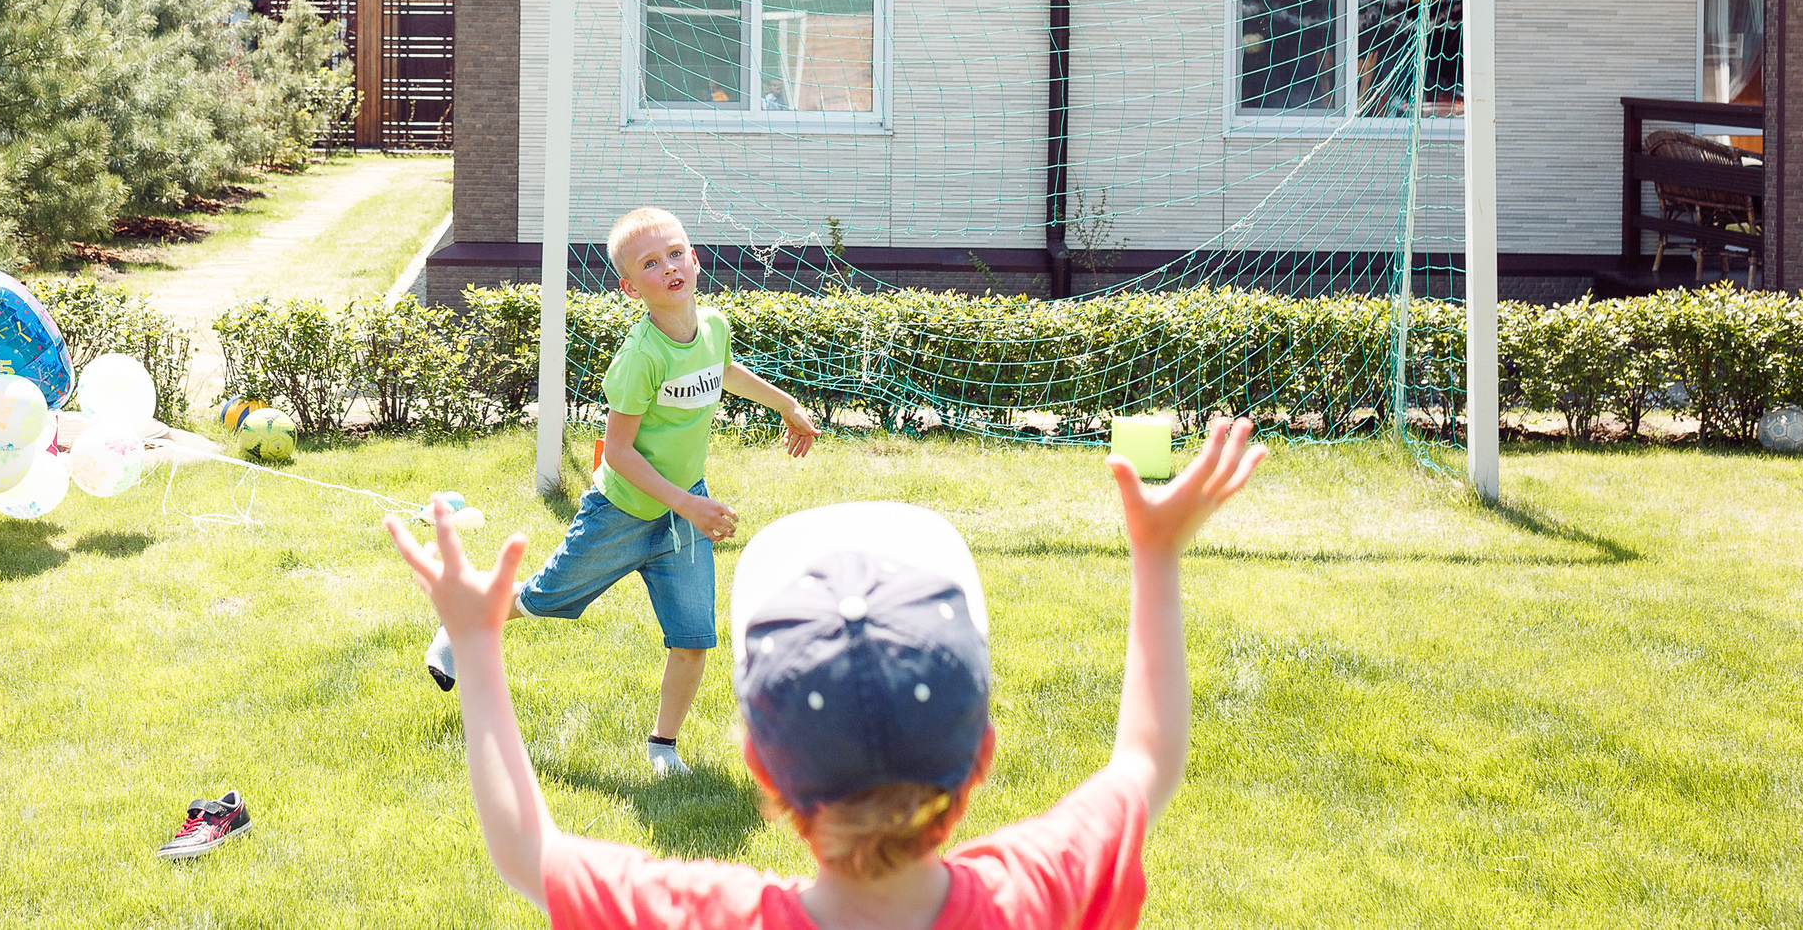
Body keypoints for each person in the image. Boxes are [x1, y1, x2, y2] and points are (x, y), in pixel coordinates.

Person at [385, 415, 1266, 930]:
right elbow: (1145, 762)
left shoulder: (710, 915)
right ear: (983, 753)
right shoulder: (1030, 895)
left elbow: (526, 850)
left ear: (762, 769)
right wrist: (1156, 555)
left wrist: (477, 642)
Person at [423, 207, 820, 778]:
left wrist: (786, 404)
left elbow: (725, 371)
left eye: (676, 253)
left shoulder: (712, 327)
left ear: (695, 260)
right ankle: (464, 621)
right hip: (621, 512)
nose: (670, 267)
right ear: (631, 287)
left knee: (693, 638)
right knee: (543, 599)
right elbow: (619, 452)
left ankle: (663, 746)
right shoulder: (641, 357)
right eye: (651, 263)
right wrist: (688, 503)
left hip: (682, 513)